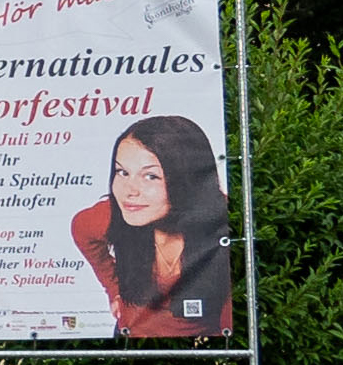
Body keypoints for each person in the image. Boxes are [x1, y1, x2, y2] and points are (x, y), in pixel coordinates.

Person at [67, 114, 233, 337]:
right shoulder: (117, 214)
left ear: (186, 180)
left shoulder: (220, 221)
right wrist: (114, 289)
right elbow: (81, 228)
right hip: (130, 348)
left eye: (150, 176)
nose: (130, 190)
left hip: (197, 353)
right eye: (122, 172)